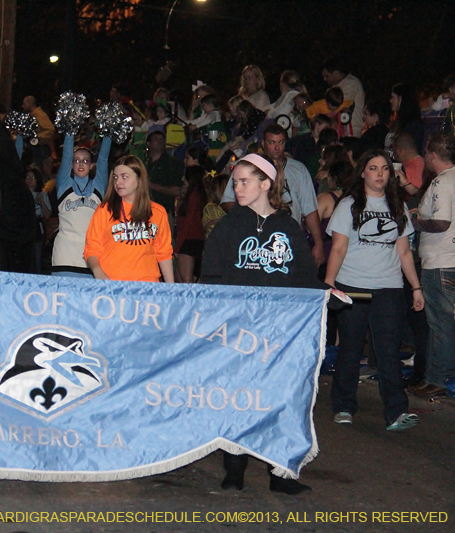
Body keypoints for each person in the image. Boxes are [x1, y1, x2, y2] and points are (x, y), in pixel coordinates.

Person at [200, 153, 321, 495]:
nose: (236, 188)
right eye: (234, 182)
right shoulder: (227, 227)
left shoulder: (287, 227)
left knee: (281, 397)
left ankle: (281, 473)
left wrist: (327, 292)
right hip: (238, 328)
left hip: (279, 329)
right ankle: (234, 467)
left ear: (265, 183)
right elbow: (210, 277)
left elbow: (303, 278)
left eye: (244, 181)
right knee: (238, 395)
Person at [325, 149, 424, 431]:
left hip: (388, 288)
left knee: (388, 352)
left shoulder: (398, 206)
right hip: (352, 287)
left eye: (384, 168)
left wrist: (415, 287)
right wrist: (329, 285)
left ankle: (396, 412)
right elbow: (339, 247)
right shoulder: (348, 205)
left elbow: (404, 252)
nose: (379, 173)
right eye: (373, 168)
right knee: (350, 350)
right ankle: (344, 406)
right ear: (363, 173)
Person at [222, 125, 325, 266]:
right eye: (272, 142)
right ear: (263, 144)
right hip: (256, 239)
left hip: (289, 238)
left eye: (281, 142)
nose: (277, 148)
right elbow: (228, 201)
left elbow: (310, 209)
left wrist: (318, 243)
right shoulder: (248, 167)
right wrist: (249, 220)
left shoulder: (298, 169)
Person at [410, 134, 455, 398]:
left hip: (441, 262)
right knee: (447, 321)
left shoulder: (442, 182)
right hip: (453, 258)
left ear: (433, 156)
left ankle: (439, 378)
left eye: (426, 153)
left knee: (440, 323)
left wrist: (416, 222)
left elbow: (441, 222)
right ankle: (437, 375)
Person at [84, 155, 174, 283]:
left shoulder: (158, 212)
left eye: (124, 177)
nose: (118, 182)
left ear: (139, 179)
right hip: (112, 283)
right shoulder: (105, 210)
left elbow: (164, 253)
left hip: (147, 285)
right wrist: (98, 271)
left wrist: (172, 288)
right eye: (115, 177)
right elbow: (92, 248)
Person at [51, 132, 111, 277]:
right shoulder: (64, 185)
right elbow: (65, 157)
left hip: (92, 254)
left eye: (85, 161)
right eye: (77, 160)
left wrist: (109, 132)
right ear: (71, 165)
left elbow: (103, 159)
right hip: (64, 253)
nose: (81, 164)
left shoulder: (99, 187)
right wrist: (70, 131)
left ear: (91, 165)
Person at [174, 165, 206, 282]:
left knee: (186, 280)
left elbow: (189, 222)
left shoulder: (193, 196)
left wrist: (178, 247)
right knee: (182, 278)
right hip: (196, 241)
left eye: (185, 177)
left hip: (188, 241)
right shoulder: (199, 195)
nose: (182, 179)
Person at [321, 58, 365, 137]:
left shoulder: (351, 83)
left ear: (336, 73)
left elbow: (337, 106)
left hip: (350, 133)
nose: (324, 79)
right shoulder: (337, 86)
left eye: (326, 76)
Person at [25, 165, 52, 274]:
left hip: (37, 227)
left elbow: (47, 215)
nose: (30, 180)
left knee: (37, 256)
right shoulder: (21, 194)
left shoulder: (42, 194)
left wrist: (42, 201)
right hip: (25, 227)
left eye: (33, 178)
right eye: (27, 177)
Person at [387, 83, 425, 155]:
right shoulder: (398, 122)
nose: (390, 100)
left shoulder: (413, 125)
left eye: (393, 97)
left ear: (401, 99)